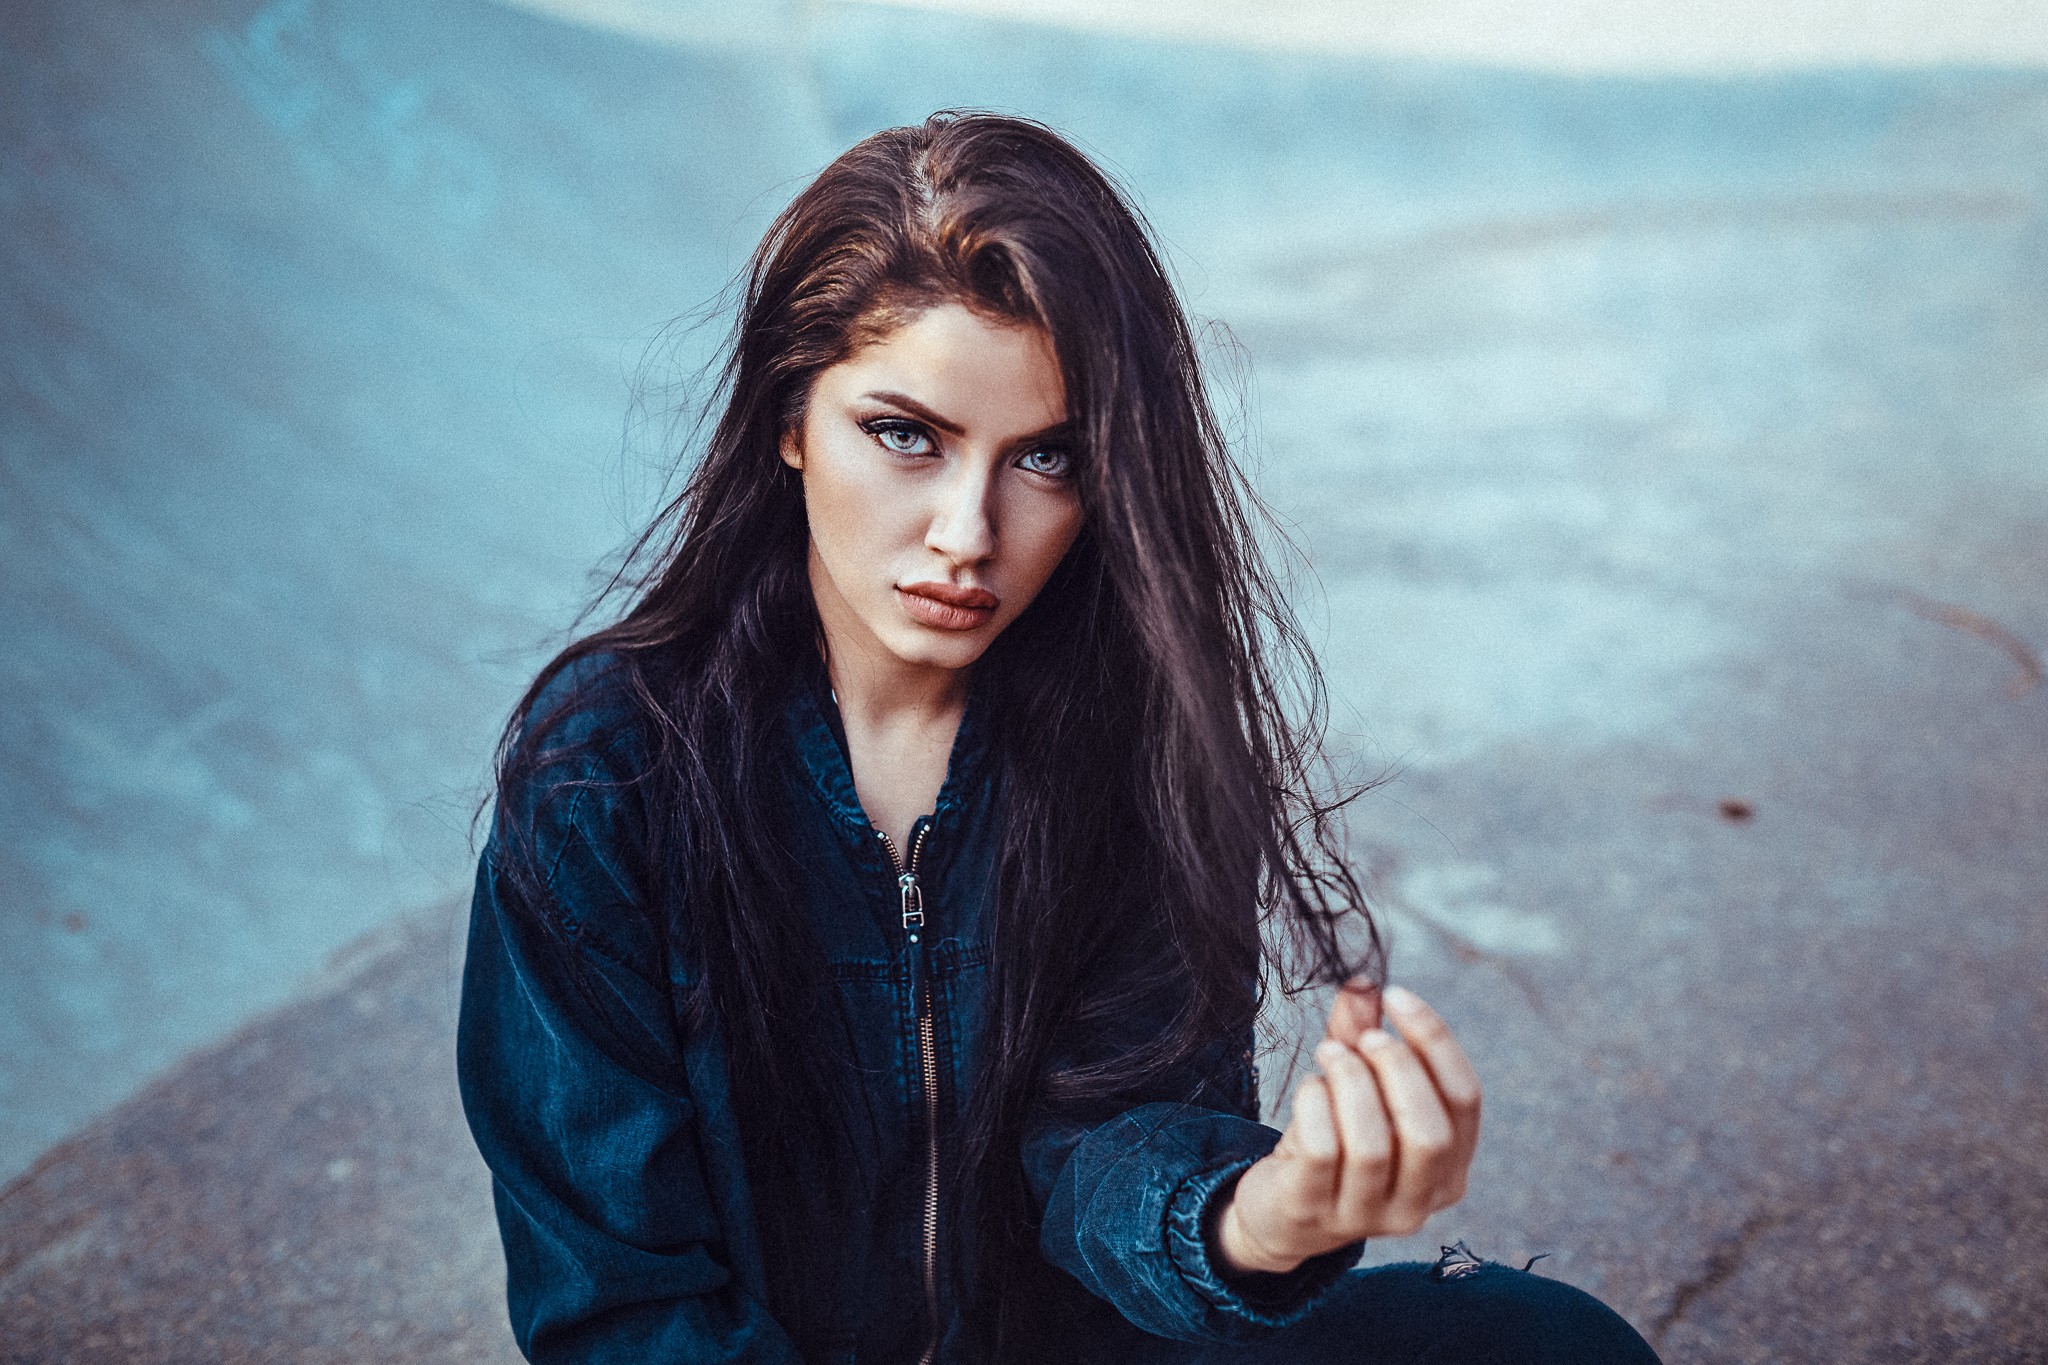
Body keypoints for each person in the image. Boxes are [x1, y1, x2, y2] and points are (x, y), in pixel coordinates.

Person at [457, 111, 1660, 1364]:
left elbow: (1109, 1147)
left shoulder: (1133, 742)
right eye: (904, 435)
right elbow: (618, 1300)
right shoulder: (606, 771)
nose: (968, 532)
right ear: (787, 421)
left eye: (1045, 458)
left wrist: (1260, 1220)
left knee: (1549, 1345)